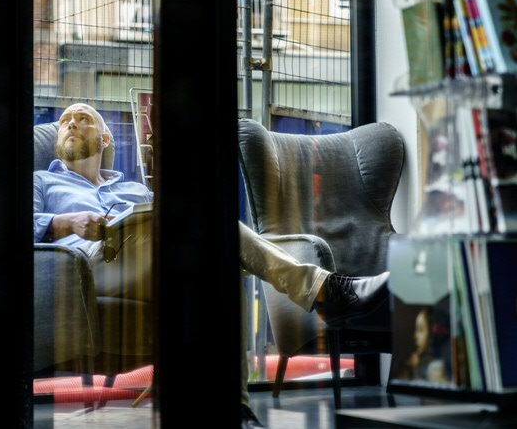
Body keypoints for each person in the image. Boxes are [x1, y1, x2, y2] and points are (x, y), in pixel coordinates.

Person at [34, 103, 390, 429]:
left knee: (218, 252)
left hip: (145, 265)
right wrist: (67, 222)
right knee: (211, 227)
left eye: (84, 119)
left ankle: (235, 409)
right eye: (66, 120)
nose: (72, 124)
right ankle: (329, 291)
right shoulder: (42, 181)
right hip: (87, 270)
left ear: (105, 137)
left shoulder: (132, 189)